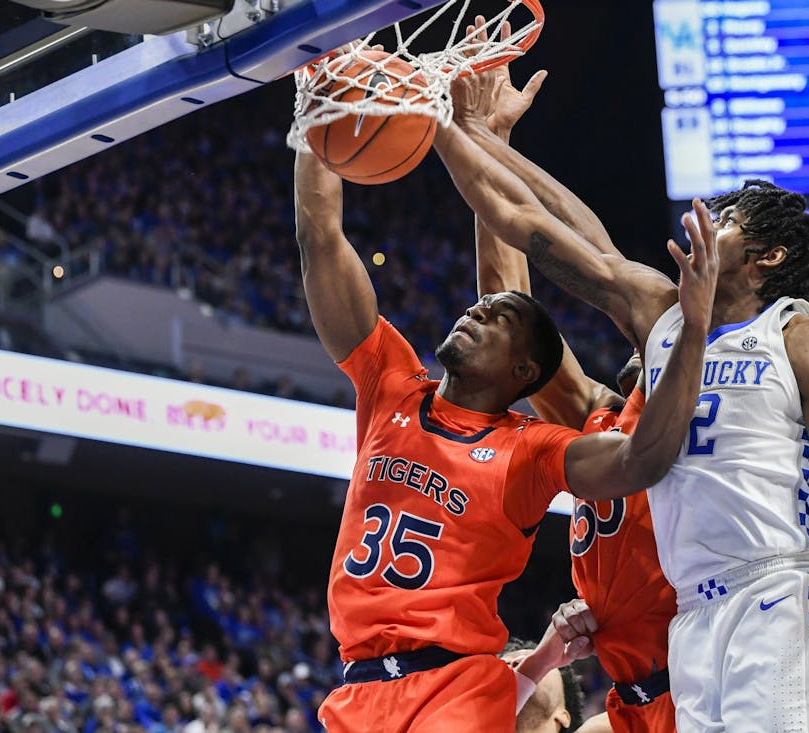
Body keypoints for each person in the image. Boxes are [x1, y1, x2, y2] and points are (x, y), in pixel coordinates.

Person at [432, 69, 809, 731]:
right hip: (696, 619)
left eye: (727, 221)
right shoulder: (654, 342)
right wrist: (464, 129)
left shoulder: (799, 338)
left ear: (767, 255)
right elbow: (544, 234)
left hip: (783, 587)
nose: (705, 222)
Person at [292, 65, 718, 730]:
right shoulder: (404, 385)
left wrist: (690, 330)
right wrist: (316, 118)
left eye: (654, 343)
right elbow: (331, 241)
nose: (478, 311)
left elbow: (641, 452)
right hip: (372, 685)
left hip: (665, 681)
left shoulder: (553, 443)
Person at [465, 27, 676, 732]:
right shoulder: (597, 421)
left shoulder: (685, 424)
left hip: (701, 683)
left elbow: (616, 275)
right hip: (628, 694)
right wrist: (488, 141)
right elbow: (508, 321)